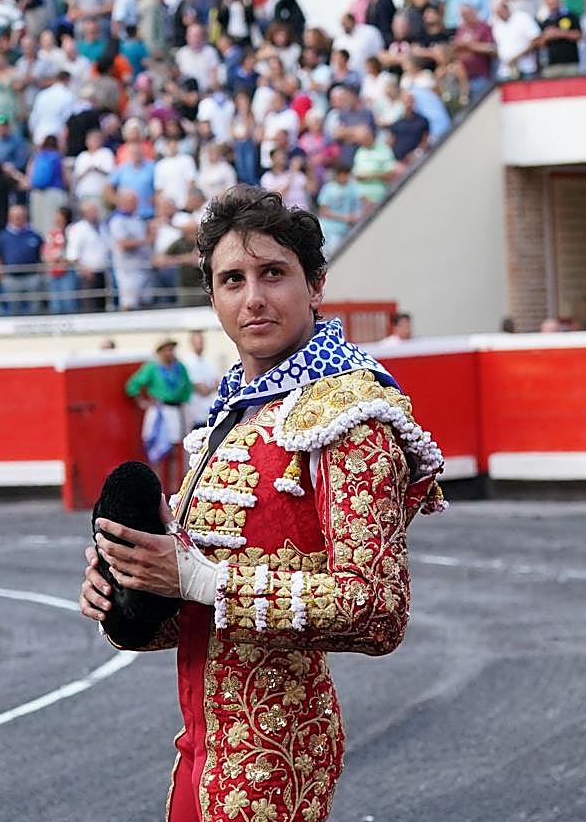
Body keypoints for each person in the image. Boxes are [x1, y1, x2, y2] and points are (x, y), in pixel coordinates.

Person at [80, 185, 446, 822]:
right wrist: (133, 596)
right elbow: (200, 611)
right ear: (213, 296)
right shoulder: (232, 416)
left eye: (273, 273)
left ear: (315, 284)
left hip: (276, 757)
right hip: (201, 749)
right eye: (232, 279)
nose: (253, 297)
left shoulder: (347, 413)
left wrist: (199, 577)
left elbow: (379, 610)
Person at [125, 338, 193, 492]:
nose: (170, 353)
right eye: (167, 349)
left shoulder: (180, 367)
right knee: (158, 450)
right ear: (160, 352)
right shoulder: (152, 368)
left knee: (176, 450)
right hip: (160, 412)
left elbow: (187, 388)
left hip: (177, 411)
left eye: (172, 349)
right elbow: (133, 385)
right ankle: (156, 488)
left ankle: (175, 489)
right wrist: (142, 401)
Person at [182, 328, 219, 428]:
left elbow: (219, 383)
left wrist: (211, 386)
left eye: (202, 342)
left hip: (208, 410)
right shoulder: (189, 362)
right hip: (196, 412)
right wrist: (212, 386)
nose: (201, 345)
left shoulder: (206, 361)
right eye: (198, 342)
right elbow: (203, 390)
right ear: (192, 343)